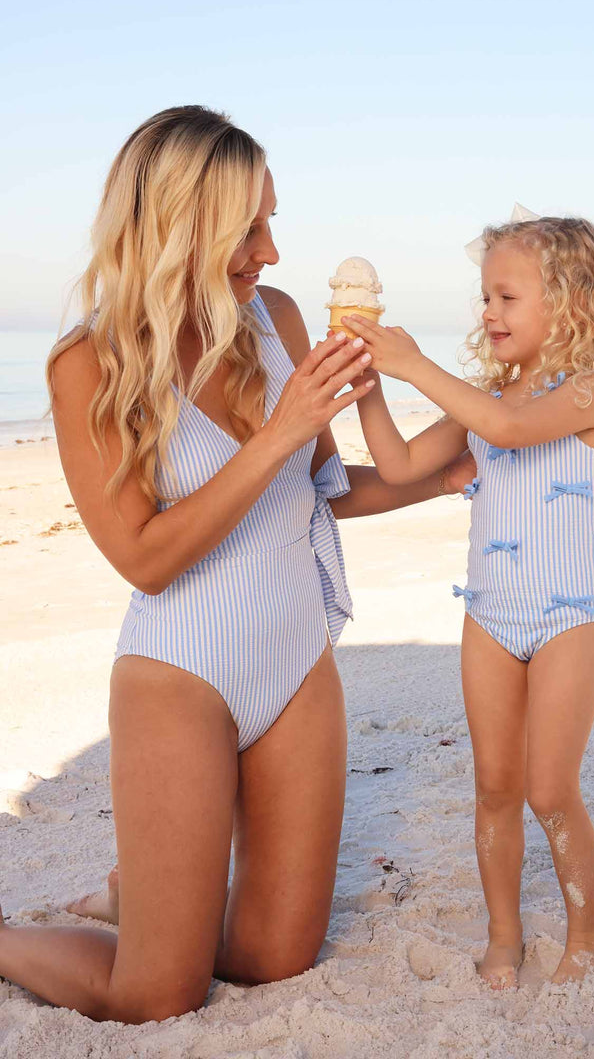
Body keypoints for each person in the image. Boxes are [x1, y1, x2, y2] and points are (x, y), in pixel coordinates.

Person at [0, 105, 474, 1023]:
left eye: (270, 220)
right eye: (248, 228)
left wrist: (440, 476)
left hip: (296, 660)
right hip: (182, 671)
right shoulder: (86, 363)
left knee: (275, 959)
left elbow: (326, 485)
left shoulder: (279, 319)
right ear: (182, 225)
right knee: (156, 994)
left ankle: (143, 903)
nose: (272, 250)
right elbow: (143, 557)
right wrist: (281, 432)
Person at [345, 211, 594, 988]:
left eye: (506, 298)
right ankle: (503, 936)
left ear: (569, 302)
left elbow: (507, 431)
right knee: (496, 786)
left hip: (570, 616)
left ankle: (589, 935)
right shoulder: (488, 399)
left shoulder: (591, 390)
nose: (488, 314)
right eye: (484, 298)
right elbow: (403, 463)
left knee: (549, 787)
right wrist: (370, 388)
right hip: (489, 615)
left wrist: (411, 364)